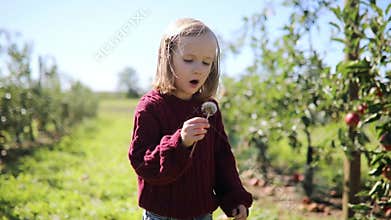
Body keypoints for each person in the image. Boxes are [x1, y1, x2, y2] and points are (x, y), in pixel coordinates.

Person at [128, 18, 252, 220]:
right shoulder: (151, 107)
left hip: (201, 213)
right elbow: (142, 163)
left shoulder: (208, 110)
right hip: (162, 214)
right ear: (167, 58)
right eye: (189, 59)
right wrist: (180, 143)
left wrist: (234, 197)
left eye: (206, 62)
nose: (198, 69)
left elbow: (222, 159)